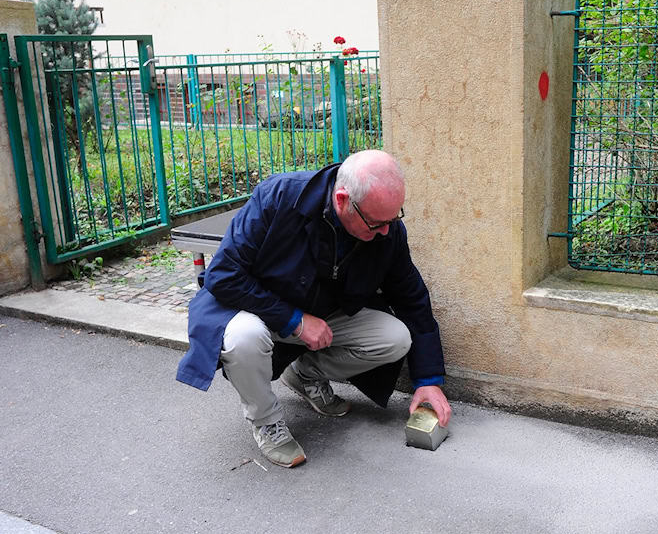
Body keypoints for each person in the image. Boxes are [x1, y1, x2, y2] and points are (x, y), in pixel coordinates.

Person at [175, 150, 452, 468]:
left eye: (393, 219)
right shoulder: (280, 196)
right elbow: (224, 274)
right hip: (255, 311)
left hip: (320, 314)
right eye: (376, 223)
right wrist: (294, 320)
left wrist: (428, 380)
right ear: (343, 200)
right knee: (244, 338)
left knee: (395, 338)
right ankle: (266, 420)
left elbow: (411, 298)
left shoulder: (386, 230)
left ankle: (304, 375)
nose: (386, 232)